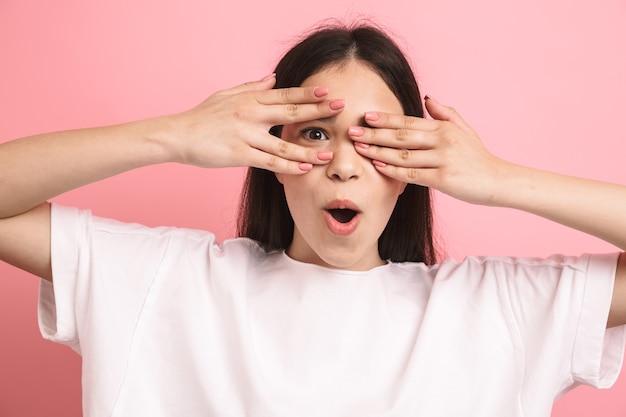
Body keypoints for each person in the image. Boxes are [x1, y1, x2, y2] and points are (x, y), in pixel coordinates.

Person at [0, 22, 625, 417]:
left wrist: (499, 179)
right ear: (273, 156)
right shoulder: (166, 282)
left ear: (414, 168)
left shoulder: (498, 309)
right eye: (317, 134)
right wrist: (171, 136)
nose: (345, 166)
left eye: (377, 140)